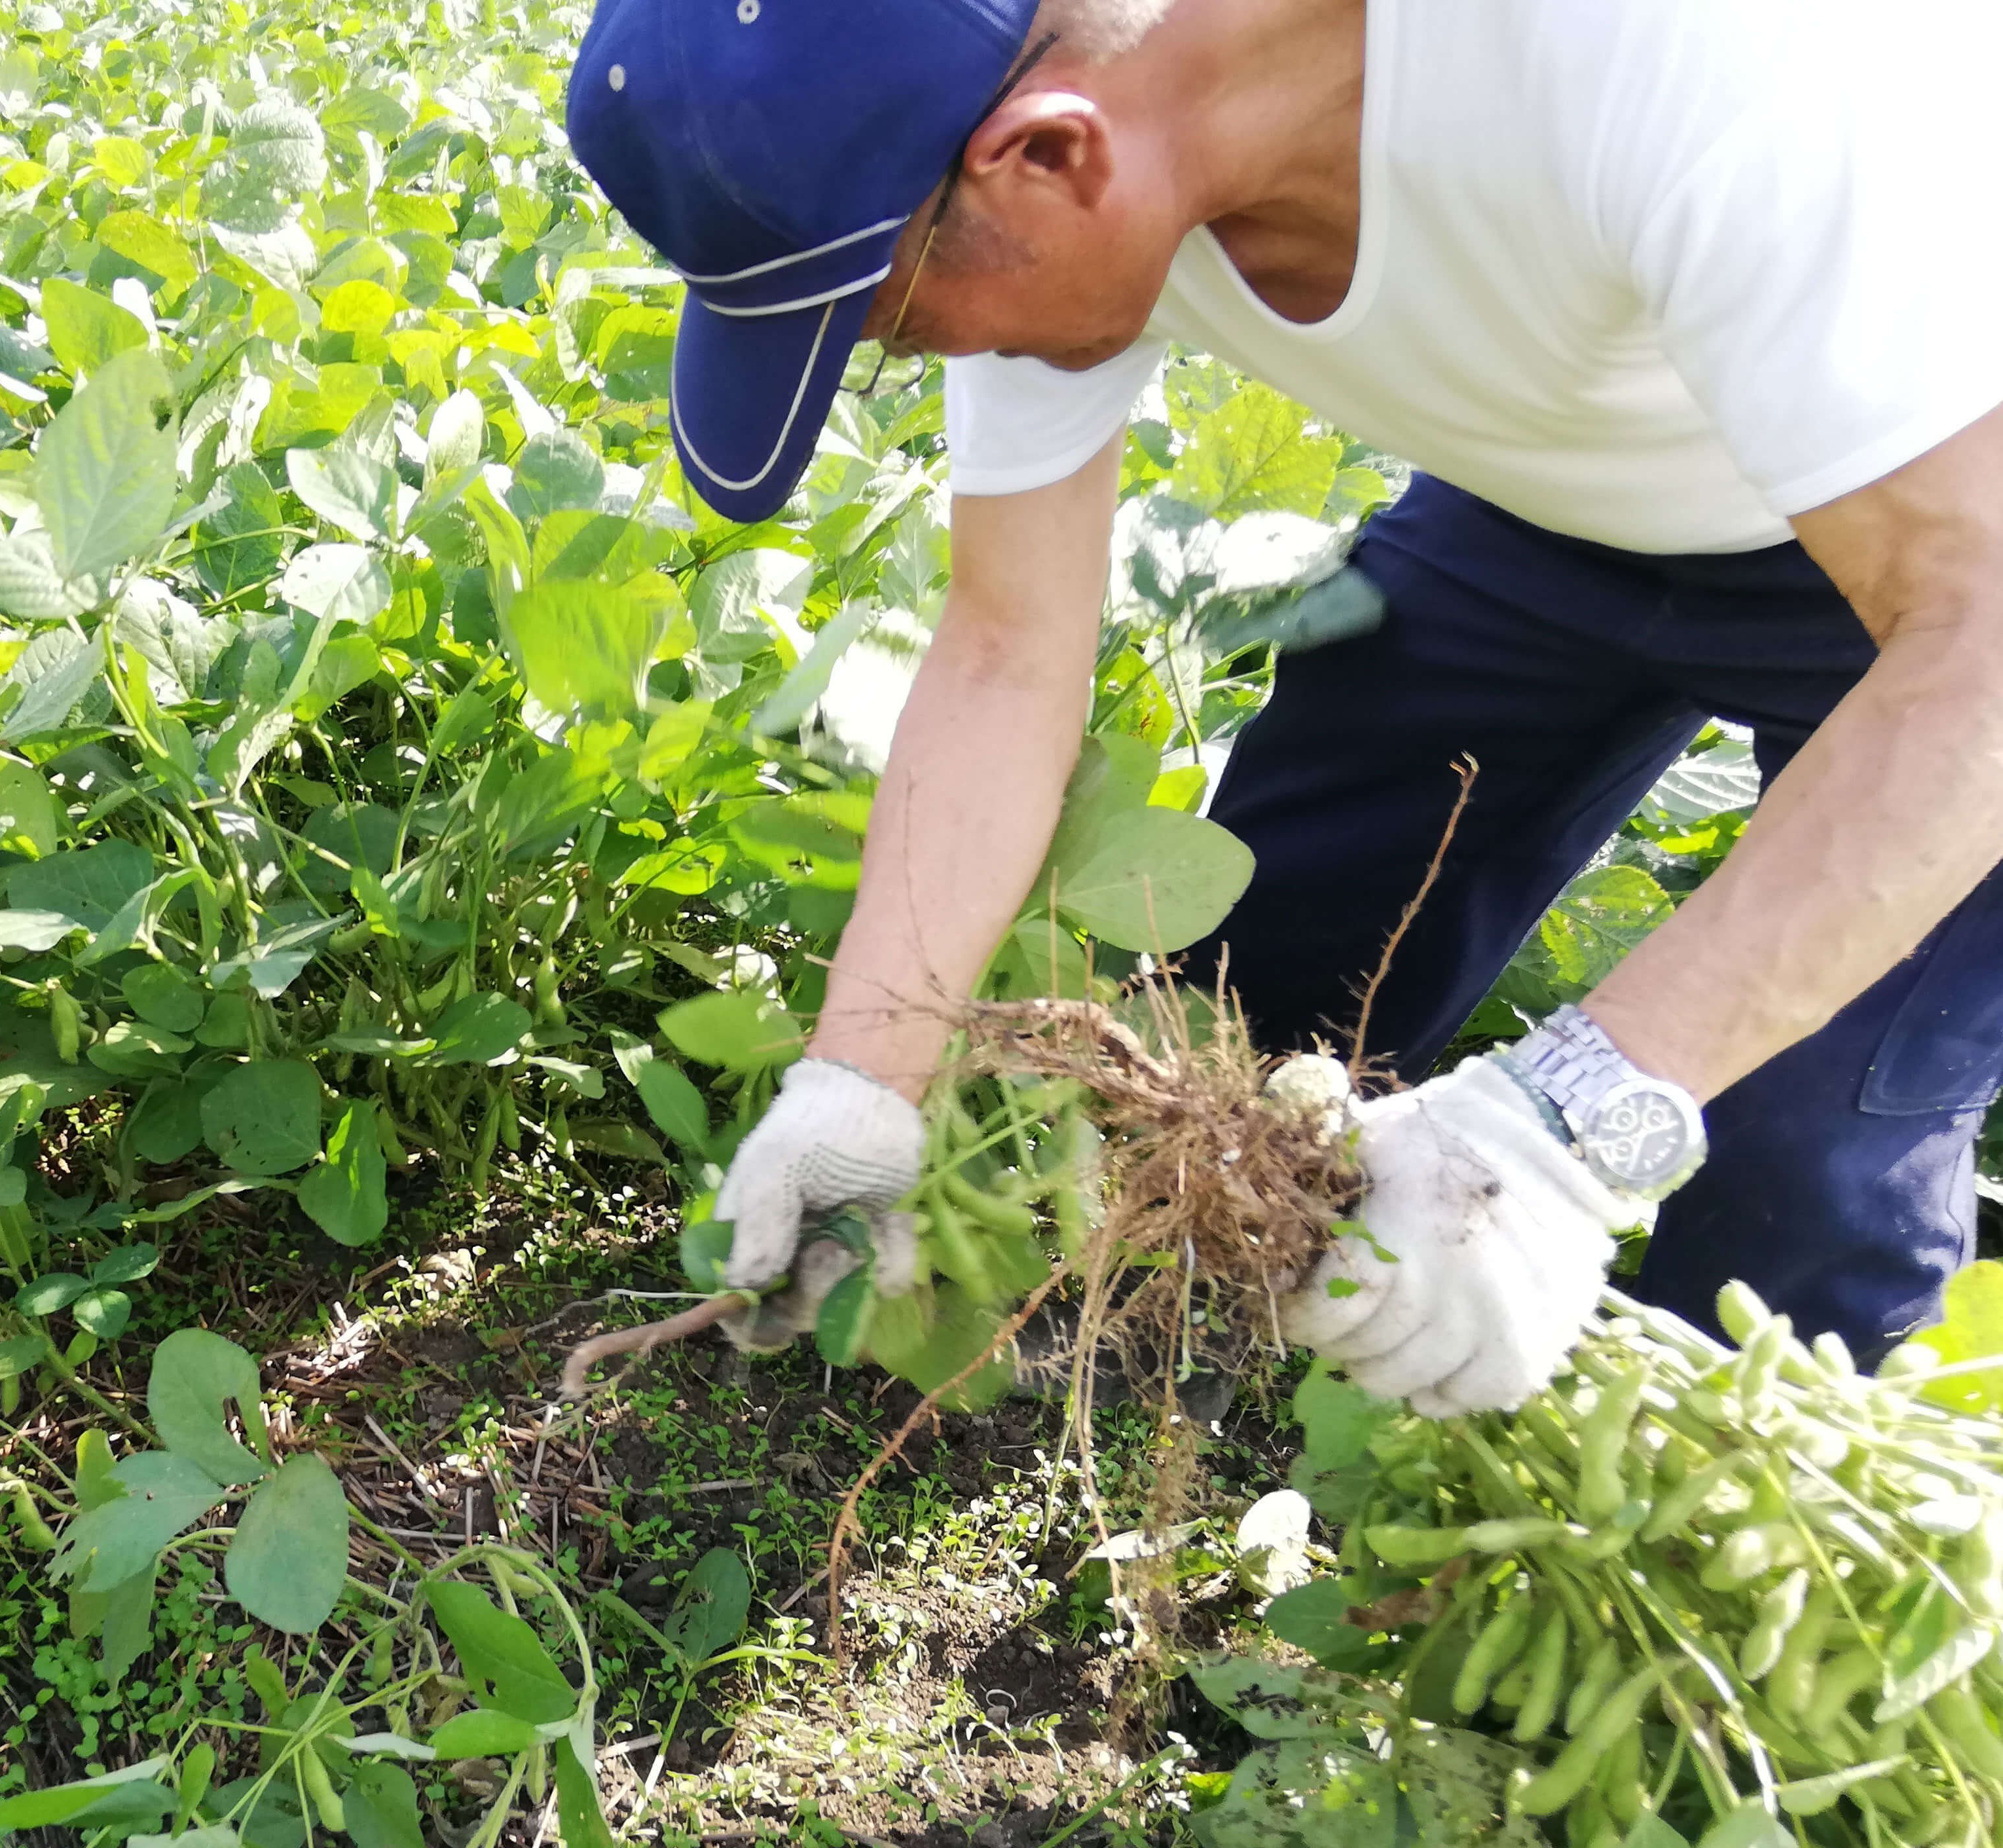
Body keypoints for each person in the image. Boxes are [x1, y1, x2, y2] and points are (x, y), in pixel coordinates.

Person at [562, 0, 2003, 1414]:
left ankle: (1706, 1542)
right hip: (1552, 507)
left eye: (889, 319)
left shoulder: (1700, 55)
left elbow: (1980, 635)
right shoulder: (1054, 155)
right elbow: (1009, 643)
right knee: (1280, 945)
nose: (915, 355)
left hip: (1958, 562)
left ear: (1047, 156)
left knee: (1803, 1159)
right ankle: (1228, 1329)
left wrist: (1570, 1119)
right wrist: (861, 1078)